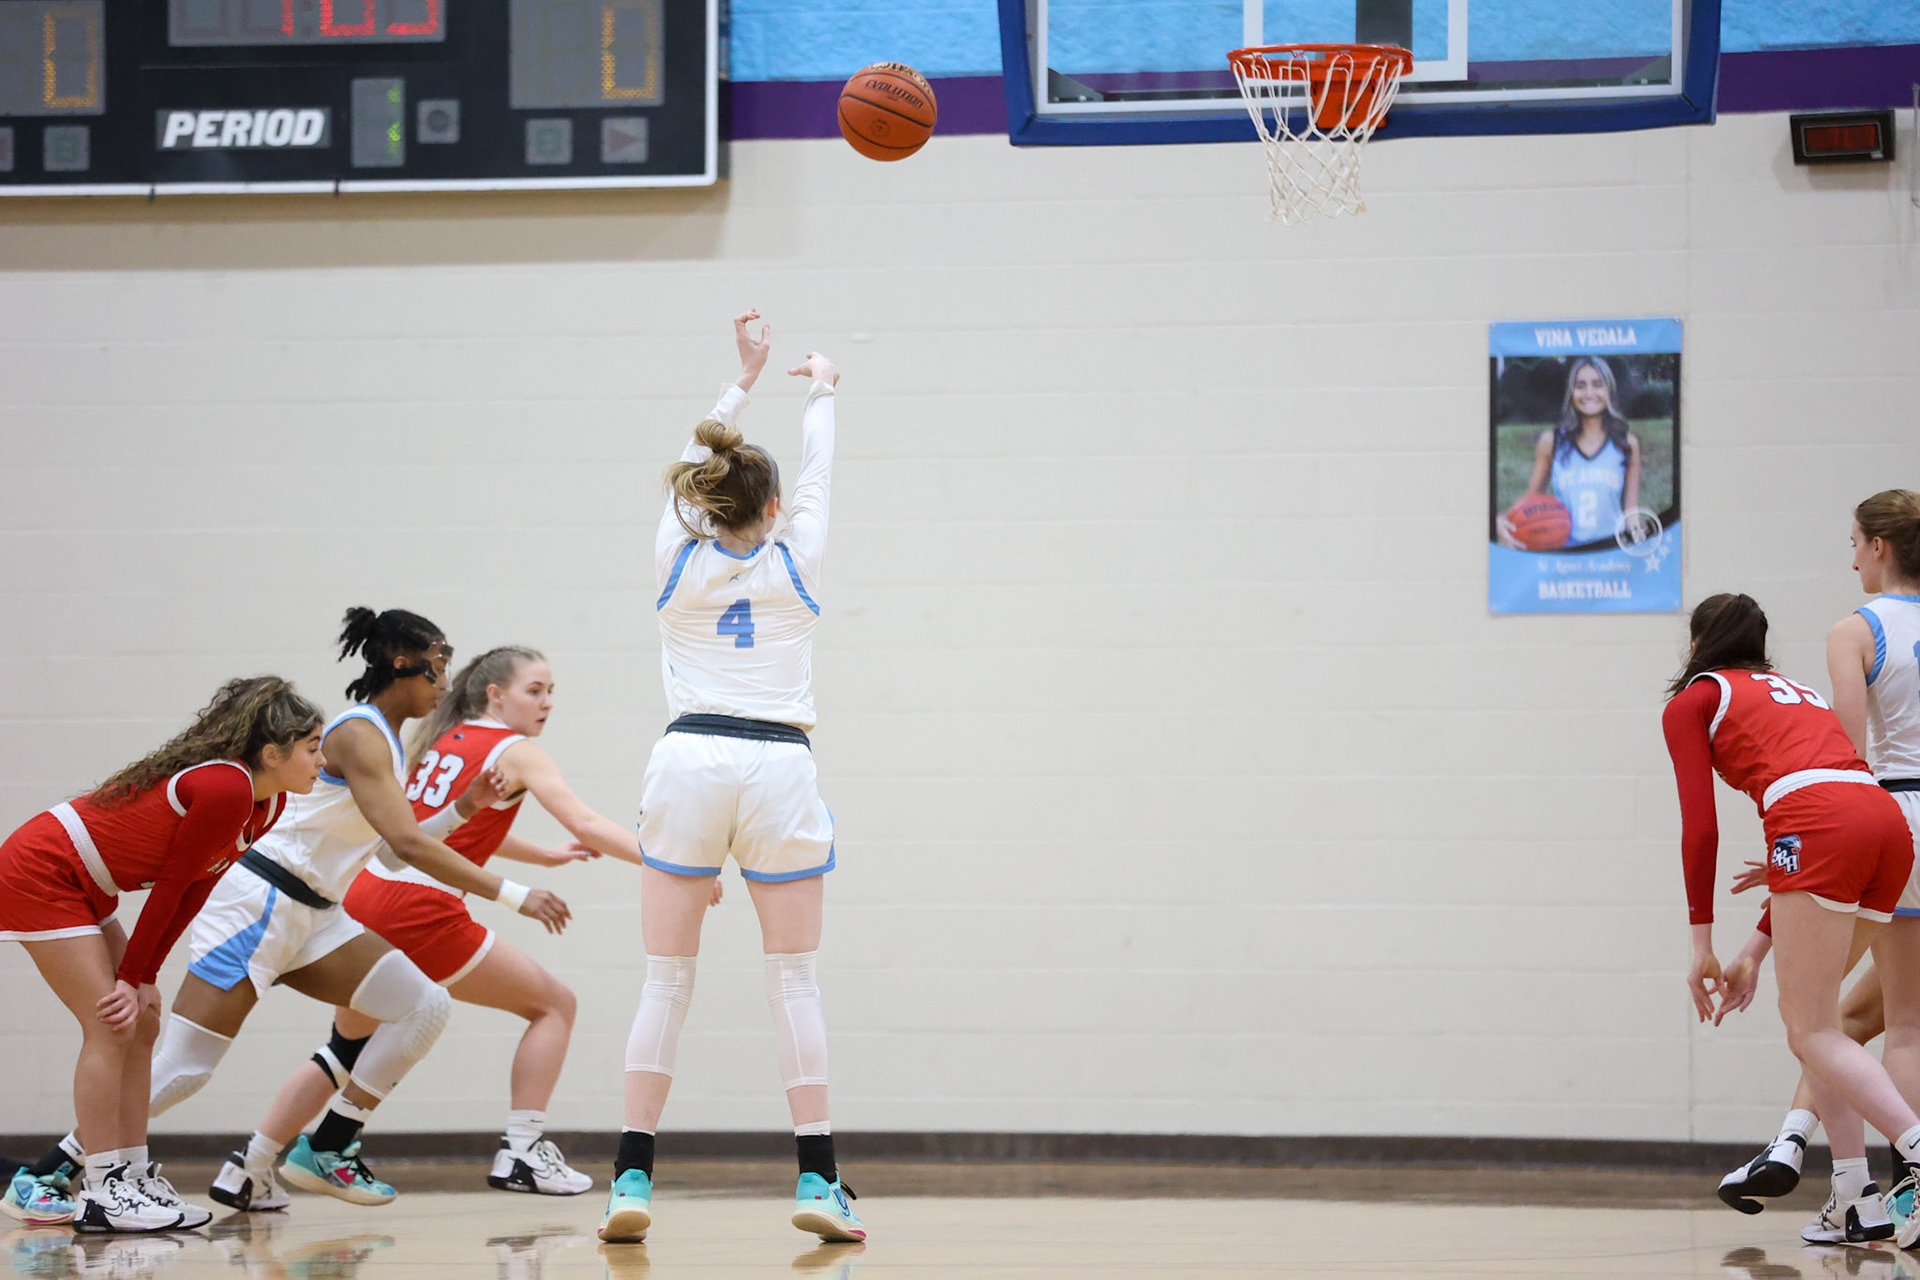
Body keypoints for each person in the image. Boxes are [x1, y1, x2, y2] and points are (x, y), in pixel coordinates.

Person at [133, 608, 570, 1214]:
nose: (445, 684)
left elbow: (391, 850)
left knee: (423, 1006)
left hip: (319, 913)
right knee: (184, 1069)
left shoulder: (386, 741)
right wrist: (518, 895)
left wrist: (466, 807)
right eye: (438, 667)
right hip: (262, 902)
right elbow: (412, 847)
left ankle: (325, 1146)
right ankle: (62, 1168)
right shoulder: (360, 731)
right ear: (402, 664)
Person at [234, 644, 684, 1203]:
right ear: (496, 695)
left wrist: (542, 855)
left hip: (369, 892)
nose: (546, 704)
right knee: (553, 1005)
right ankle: (520, 1149)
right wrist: (669, 861)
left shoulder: (444, 737)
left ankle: (247, 1167)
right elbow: (587, 822)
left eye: (551, 693)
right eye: (534, 691)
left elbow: (442, 826)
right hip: (421, 905)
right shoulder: (516, 752)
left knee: (343, 1050)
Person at [599, 312, 860, 1245]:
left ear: (702, 506)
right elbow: (821, 473)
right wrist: (821, 387)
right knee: (794, 981)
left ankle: (630, 1179)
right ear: (773, 511)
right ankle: (821, 1182)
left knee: (665, 981)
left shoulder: (675, 558)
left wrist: (738, 384)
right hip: (779, 764)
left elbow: (686, 472)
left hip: (688, 760)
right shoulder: (800, 558)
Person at [0, 677, 324, 1232]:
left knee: (143, 1024)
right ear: (273, 753)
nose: (323, 759)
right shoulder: (228, 788)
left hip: (87, 882)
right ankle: (102, 1191)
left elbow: (198, 885)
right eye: (313, 746)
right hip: (44, 870)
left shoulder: (266, 803)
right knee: (109, 1025)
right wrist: (131, 976)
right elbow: (172, 885)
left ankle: (131, 1176)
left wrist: (143, 978)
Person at [1666, 591, 1920, 1246]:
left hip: (1818, 825)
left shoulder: (1694, 699)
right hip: (1881, 823)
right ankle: (1854, 1198)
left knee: (1810, 1032)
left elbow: (1701, 829)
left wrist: (1702, 944)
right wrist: (1753, 946)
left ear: (1697, 645)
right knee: (1824, 1025)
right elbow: (1815, 812)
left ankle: (1915, 1146)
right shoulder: (1793, 689)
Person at [1714, 490, 1920, 1215]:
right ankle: (1817, 1163)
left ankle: (1892, 1192)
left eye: (1856, 541)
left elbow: (1848, 758)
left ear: (1881, 548)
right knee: (1856, 1019)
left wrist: (1809, 849)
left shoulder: (1855, 630)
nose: (1851, 554)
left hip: (1891, 813)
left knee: (1875, 1022)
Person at [1497, 356, 1642, 549]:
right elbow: (1529, 504)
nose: (1589, 393)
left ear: (1609, 390)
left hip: (1611, 554)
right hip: (1567, 558)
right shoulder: (1552, 442)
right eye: (1580, 385)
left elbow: (1631, 512)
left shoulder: (1627, 443)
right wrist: (1500, 521)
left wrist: (1642, 549)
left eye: (1598, 384)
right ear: (1571, 392)